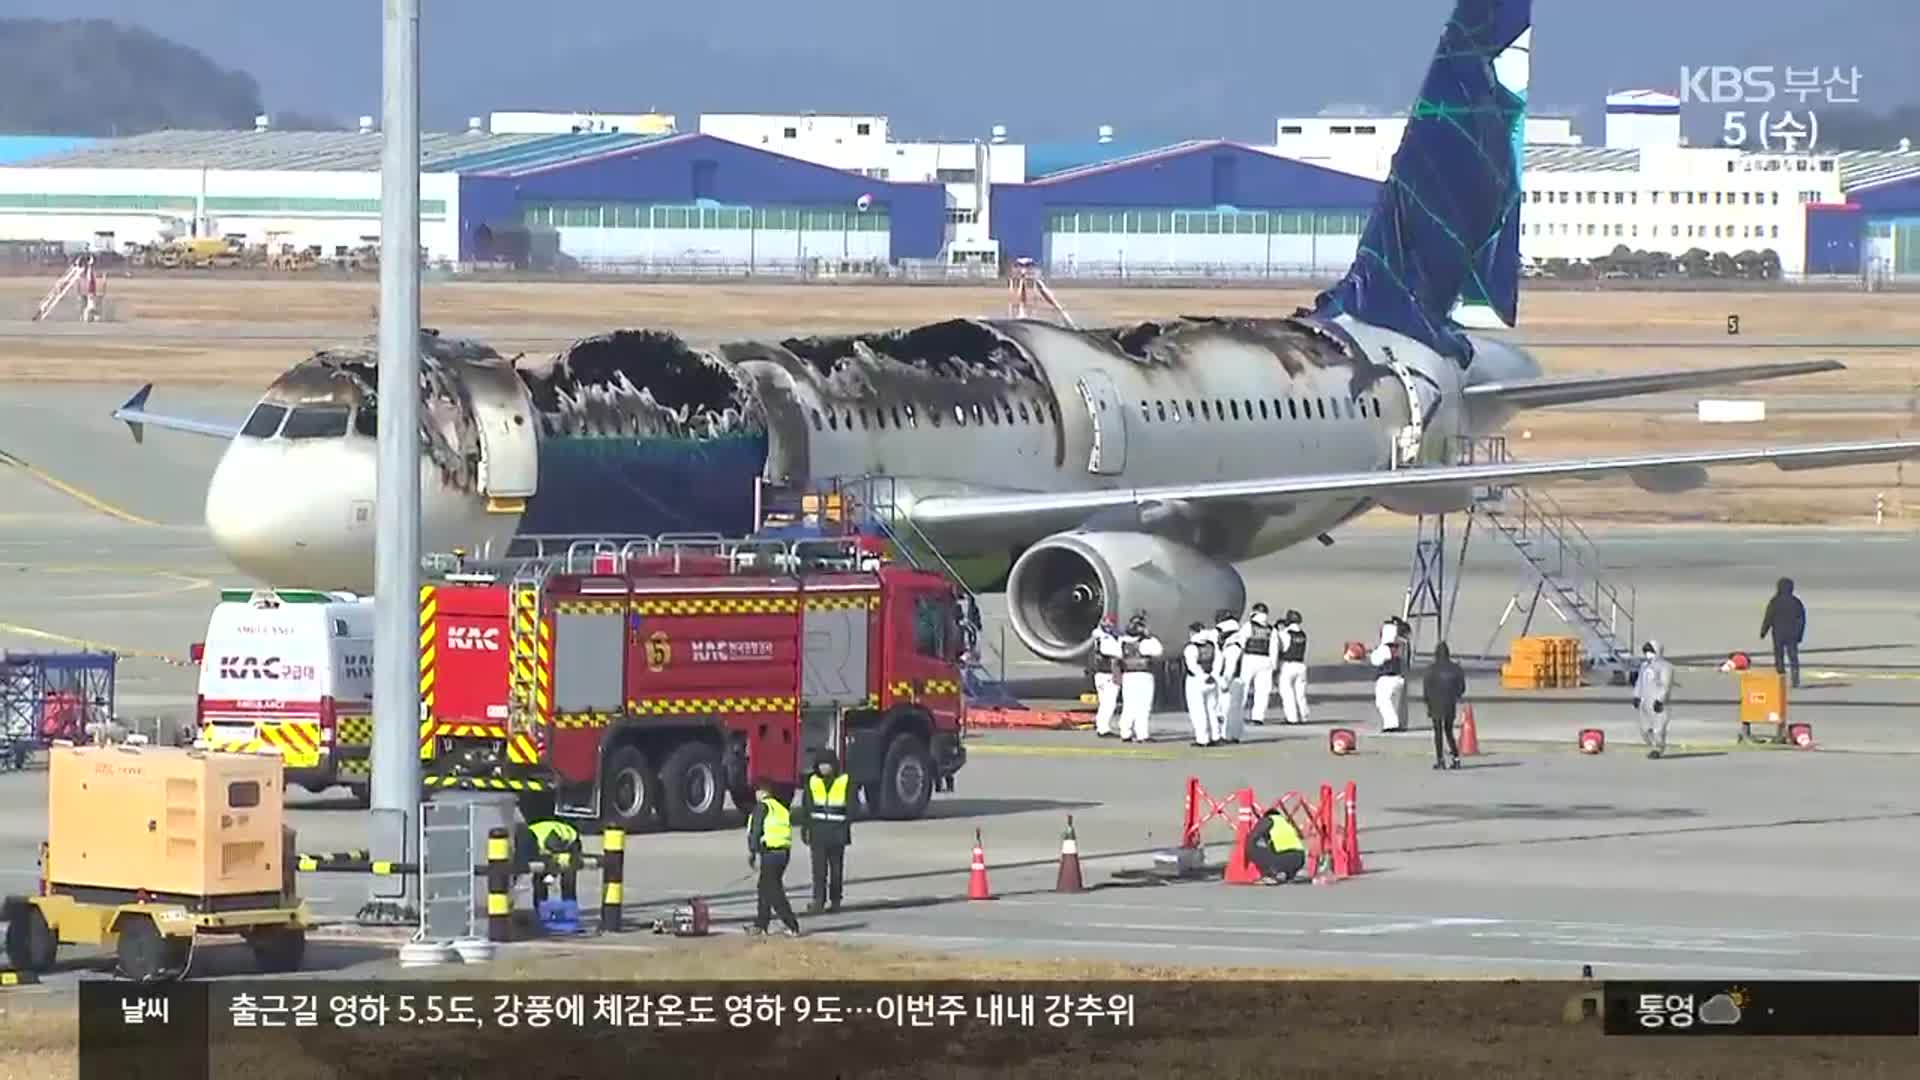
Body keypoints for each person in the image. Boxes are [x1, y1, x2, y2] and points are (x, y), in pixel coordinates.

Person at [745, 777, 802, 936]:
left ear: (763, 792)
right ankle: (761, 924)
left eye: (758, 790)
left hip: (770, 852)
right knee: (764, 887)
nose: (756, 794)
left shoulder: (762, 807)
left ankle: (791, 924)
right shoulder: (780, 808)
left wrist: (752, 852)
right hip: (783, 853)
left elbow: (756, 830)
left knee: (772, 890)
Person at [798, 752, 852, 913]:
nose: (824, 767)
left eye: (827, 764)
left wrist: (846, 823)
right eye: (821, 764)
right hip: (818, 832)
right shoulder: (812, 783)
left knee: (836, 870)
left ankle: (836, 901)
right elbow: (806, 807)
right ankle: (818, 901)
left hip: (837, 833)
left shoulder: (844, 781)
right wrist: (805, 828)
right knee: (819, 871)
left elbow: (852, 806)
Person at [1117, 614, 1163, 743]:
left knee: (1129, 705)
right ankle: (1142, 734)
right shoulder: (1146, 643)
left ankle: (1125, 732)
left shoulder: (1122, 643)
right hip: (1143, 675)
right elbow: (1158, 650)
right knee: (1143, 706)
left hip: (1128, 675)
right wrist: (1150, 636)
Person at [1422, 641, 1467, 771]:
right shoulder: (1456, 669)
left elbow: (1426, 688)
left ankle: (1440, 760)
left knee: (1438, 732)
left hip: (1435, 703)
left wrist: (1428, 702)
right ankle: (1456, 758)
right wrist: (1455, 696)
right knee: (1449, 731)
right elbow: (1462, 688)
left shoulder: (1431, 669)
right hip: (1449, 704)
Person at [1759, 577, 1806, 689]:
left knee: (1779, 657)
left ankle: (1781, 679)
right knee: (1793, 657)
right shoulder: (1796, 602)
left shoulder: (1775, 601)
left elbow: (1769, 617)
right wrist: (1800, 634)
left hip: (1778, 634)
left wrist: (1763, 631)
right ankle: (1795, 681)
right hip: (1792, 635)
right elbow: (1801, 620)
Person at [1239, 604, 1280, 727]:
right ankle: (1258, 717)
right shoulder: (1271, 629)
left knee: (1243, 688)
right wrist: (1273, 666)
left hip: (1249, 658)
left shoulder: (1248, 626)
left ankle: (1237, 714)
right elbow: (1274, 649)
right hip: (1266, 660)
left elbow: (1241, 642)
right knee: (1263, 691)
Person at [1182, 621, 1222, 747]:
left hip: (1196, 681)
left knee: (1197, 711)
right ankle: (1216, 736)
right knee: (1212, 709)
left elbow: (1192, 665)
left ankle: (1202, 738)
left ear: (1193, 632)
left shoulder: (1191, 647)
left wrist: (1203, 676)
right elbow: (1219, 661)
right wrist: (1213, 675)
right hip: (1212, 679)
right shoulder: (1212, 645)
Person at [1635, 640, 1676, 759]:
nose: (1648, 654)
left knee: (1658, 729)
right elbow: (1639, 682)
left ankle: (1657, 749)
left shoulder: (1666, 667)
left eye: (1650, 651)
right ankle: (1652, 745)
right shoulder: (1644, 666)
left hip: (1658, 703)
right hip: (1645, 701)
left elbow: (1666, 685)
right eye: (1646, 652)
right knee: (1645, 729)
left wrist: (1660, 700)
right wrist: (1636, 696)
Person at [1246, 807, 1307, 884]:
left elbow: (1254, 836)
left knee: (1252, 847)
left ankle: (1269, 875)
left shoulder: (1268, 819)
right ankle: (1290, 875)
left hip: (1284, 858)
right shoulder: (1285, 823)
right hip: (1300, 858)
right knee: (1274, 848)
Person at [1369, 619, 1408, 732]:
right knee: (1394, 702)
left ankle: (1391, 724)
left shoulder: (1386, 648)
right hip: (1398, 677)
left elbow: (1375, 660)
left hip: (1387, 678)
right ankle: (1398, 722)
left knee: (1382, 701)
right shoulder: (1401, 646)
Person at [1214, 610, 1246, 743]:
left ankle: (1227, 735)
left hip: (1231, 682)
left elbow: (1230, 668)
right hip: (1236, 681)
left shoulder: (1232, 648)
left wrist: (1224, 683)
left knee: (1227, 710)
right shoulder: (1235, 645)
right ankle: (1234, 735)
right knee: (1235, 710)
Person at [1091, 614, 1124, 738]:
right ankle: (1103, 728)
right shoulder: (1105, 639)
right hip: (1107, 674)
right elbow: (1118, 653)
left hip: (1101, 674)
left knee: (1104, 702)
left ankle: (1101, 725)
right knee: (1109, 703)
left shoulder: (1100, 637)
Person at [1276, 609, 1310, 725]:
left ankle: (1292, 718)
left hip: (1288, 665)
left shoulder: (1285, 634)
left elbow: (1281, 648)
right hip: (1301, 665)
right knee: (1300, 694)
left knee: (1287, 692)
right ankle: (1304, 716)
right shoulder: (1303, 634)